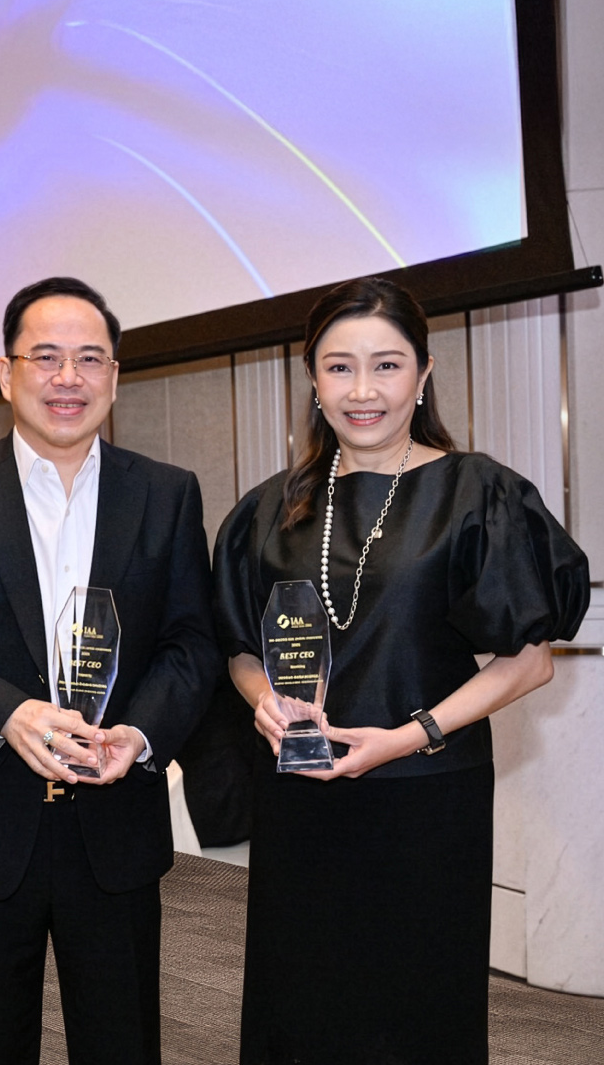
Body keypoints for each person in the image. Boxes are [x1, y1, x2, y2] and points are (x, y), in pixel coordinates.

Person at [212, 276, 590, 1065]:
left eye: (386, 365)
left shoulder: (478, 493)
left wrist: (407, 736)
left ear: (423, 372)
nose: (363, 390)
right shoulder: (269, 508)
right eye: (339, 367)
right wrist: (263, 701)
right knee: (301, 1005)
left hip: (427, 798)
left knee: (419, 1011)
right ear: (313, 379)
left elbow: (530, 663)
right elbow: (241, 647)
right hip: (302, 797)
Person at [0, 277, 222, 1065]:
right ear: (6, 372)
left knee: (123, 1044)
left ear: (114, 377)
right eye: (46, 357)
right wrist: (6, 714)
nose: (68, 378)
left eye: (90, 359)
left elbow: (193, 643)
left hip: (114, 823)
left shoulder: (165, 494)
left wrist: (141, 734)